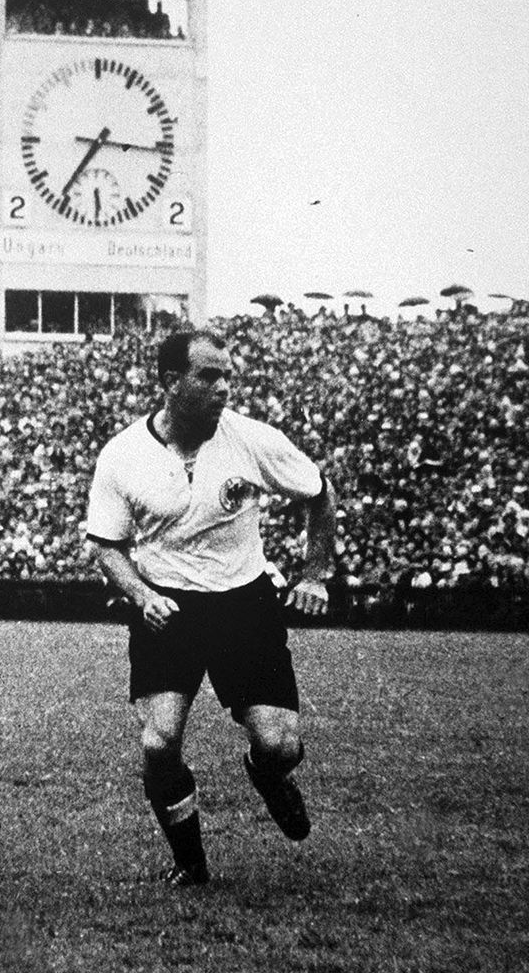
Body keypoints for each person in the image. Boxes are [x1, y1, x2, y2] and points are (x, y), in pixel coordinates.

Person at [85, 329, 337, 886]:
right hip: (168, 605)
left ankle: (267, 775)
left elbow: (320, 493)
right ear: (171, 381)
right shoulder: (123, 454)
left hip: (243, 603)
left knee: (279, 745)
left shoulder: (252, 440)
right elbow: (105, 544)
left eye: (227, 376)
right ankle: (190, 862)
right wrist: (142, 595)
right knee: (159, 742)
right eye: (209, 376)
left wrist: (315, 575)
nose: (224, 387)